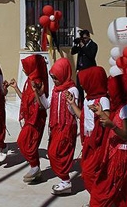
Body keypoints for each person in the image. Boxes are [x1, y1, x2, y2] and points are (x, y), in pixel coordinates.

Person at [89, 73, 127, 207]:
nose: (108, 92)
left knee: (104, 187)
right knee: (118, 188)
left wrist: (111, 125)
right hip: (117, 151)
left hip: (121, 154)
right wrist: (101, 113)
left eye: (111, 89)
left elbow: (126, 135)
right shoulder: (121, 106)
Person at [67, 66, 110, 197]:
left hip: (98, 143)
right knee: (87, 172)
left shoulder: (103, 100)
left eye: (85, 83)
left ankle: (99, 200)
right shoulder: (87, 99)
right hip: (87, 140)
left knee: (89, 172)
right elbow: (83, 117)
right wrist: (73, 104)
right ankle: (98, 199)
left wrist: (100, 113)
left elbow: (108, 120)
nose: (83, 86)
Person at [9, 54, 48, 182]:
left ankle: (35, 166)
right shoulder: (29, 80)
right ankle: (35, 168)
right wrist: (16, 88)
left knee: (25, 143)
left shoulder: (38, 82)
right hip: (29, 119)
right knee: (26, 143)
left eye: (25, 67)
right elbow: (26, 100)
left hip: (36, 119)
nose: (23, 69)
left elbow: (40, 104)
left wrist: (36, 91)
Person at [44, 58, 79, 195]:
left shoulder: (72, 89)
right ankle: (65, 181)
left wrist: (71, 102)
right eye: (52, 77)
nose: (54, 80)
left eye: (56, 77)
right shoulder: (55, 89)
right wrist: (39, 93)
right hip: (55, 127)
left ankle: (66, 181)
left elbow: (73, 111)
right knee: (53, 153)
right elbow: (47, 104)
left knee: (58, 154)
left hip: (67, 126)